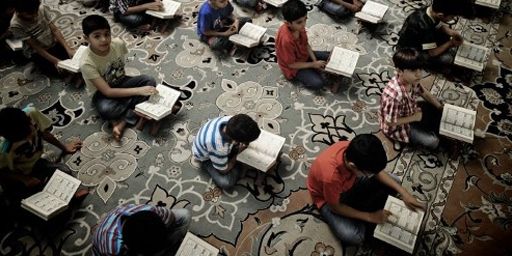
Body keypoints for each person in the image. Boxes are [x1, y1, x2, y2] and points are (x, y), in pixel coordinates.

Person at [307, 134, 425, 245]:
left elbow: (377, 172)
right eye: (369, 173)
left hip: (350, 182)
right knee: (353, 235)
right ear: (353, 166)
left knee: (395, 181)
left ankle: (361, 205)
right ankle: (363, 210)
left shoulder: (354, 149)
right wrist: (371, 216)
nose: (372, 174)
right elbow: (336, 207)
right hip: (328, 200)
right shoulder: (331, 177)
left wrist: (405, 193)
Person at [80, 15, 158, 141]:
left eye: (107, 34)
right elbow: (108, 92)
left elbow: (120, 69)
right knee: (106, 109)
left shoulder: (118, 44)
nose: (104, 39)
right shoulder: (86, 63)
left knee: (149, 80)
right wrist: (138, 91)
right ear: (86, 38)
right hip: (102, 93)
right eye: (97, 36)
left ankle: (121, 121)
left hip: (120, 81)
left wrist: (137, 89)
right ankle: (135, 112)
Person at [0, 106, 83, 201]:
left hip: (36, 164)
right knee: (30, 202)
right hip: (17, 177)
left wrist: (64, 147)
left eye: (28, 131)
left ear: (27, 118)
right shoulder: (3, 150)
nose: (28, 137)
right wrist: (24, 179)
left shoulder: (31, 113)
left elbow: (45, 133)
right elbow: (3, 172)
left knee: (64, 171)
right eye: (22, 137)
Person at [379, 48, 444, 150]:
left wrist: (440, 107)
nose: (419, 74)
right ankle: (398, 139)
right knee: (433, 141)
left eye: (420, 69)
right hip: (397, 125)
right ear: (399, 71)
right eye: (413, 70)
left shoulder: (413, 80)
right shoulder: (394, 96)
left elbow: (424, 93)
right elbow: (389, 122)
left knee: (438, 104)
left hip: (408, 110)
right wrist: (415, 117)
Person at [275, 0, 340, 93]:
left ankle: (318, 70)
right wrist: (313, 64)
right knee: (318, 83)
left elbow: (306, 44)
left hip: (303, 55)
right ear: (288, 23)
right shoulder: (286, 40)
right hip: (293, 67)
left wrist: (314, 61)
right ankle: (327, 78)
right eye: (299, 22)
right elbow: (291, 64)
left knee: (331, 55)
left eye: (305, 19)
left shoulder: (298, 27)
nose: (304, 24)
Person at [192, 114, 261, 190]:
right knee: (226, 182)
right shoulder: (220, 147)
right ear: (235, 141)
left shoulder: (232, 120)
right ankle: (235, 165)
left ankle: (232, 162)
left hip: (210, 141)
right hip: (205, 157)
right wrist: (237, 153)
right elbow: (223, 171)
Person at [9, 0, 77, 76]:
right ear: (19, 12)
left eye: (36, 11)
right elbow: (36, 47)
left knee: (72, 60)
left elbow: (55, 30)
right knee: (57, 71)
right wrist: (56, 61)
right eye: (30, 14)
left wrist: (68, 48)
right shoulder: (15, 25)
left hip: (51, 42)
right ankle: (35, 63)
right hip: (37, 51)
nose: (35, 16)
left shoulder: (41, 8)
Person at [92, 204, 191, 256]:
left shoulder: (153, 211)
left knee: (185, 215)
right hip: (105, 243)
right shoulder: (113, 249)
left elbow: (171, 218)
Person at [396, 0, 465, 70]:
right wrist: (451, 43)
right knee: (447, 58)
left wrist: (452, 32)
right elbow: (432, 53)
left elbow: (438, 24)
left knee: (445, 36)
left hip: (418, 38)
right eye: (452, 17)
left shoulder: (429, 9)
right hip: (410, 52)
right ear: (440, 15)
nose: (453, 19)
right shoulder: (425, 28)